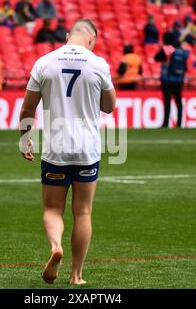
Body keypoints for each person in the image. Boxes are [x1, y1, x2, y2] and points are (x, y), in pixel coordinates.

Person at [18, 19, 116, 285]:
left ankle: (55, 247)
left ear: (67, 35)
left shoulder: (45, 62)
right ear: (92, 39)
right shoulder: (98, 63)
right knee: (82, 212)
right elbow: (109, 106)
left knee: (52, 209)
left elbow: (27, 109)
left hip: (56, 149)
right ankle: (77, 275)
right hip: (87, 150)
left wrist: (25, 138)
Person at [161, 40, 189, 128]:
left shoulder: (168, 51)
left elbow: (157, 58)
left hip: (168, 80)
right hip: (179, 80)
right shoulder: (184, 53)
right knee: (179, 102)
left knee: (167, 101)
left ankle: (166, 123)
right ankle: (179, 122)